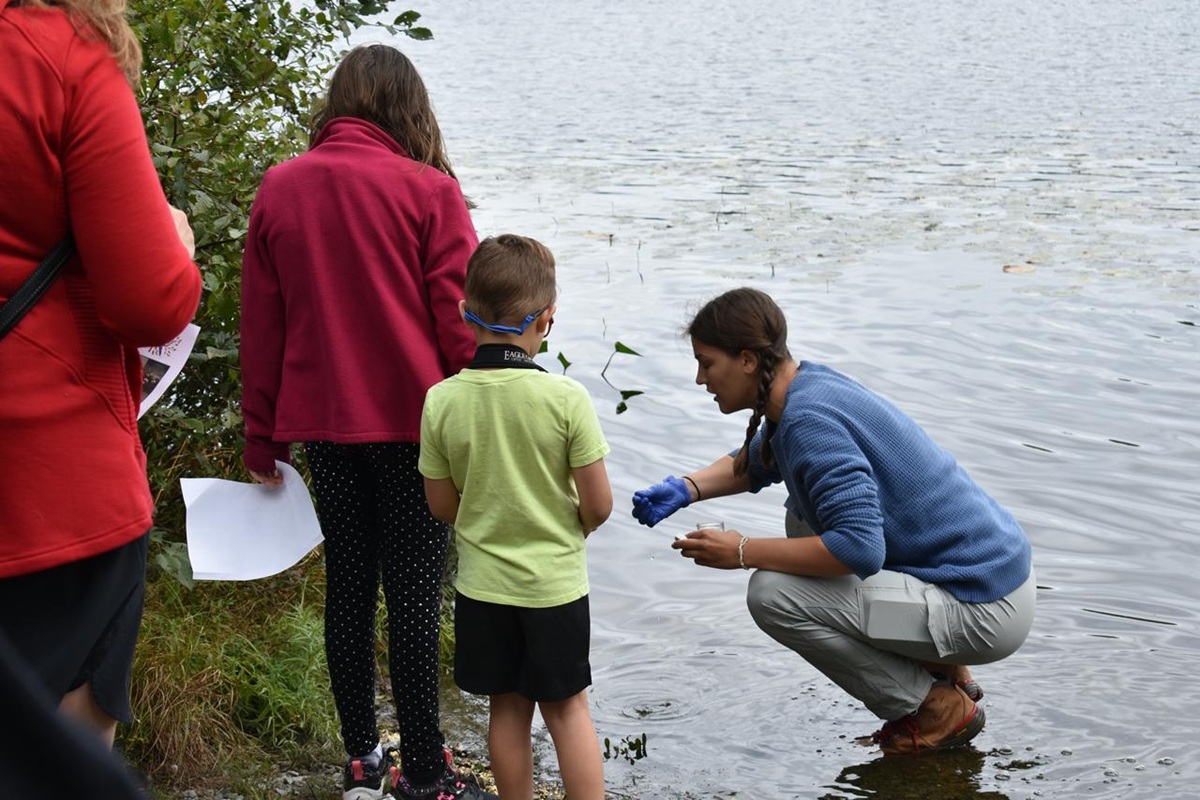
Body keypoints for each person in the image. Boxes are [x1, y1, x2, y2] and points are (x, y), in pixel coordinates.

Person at [239, 44, 495, 800]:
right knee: (416, 594)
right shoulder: (429, 191)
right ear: (407, 109)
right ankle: (425, 772)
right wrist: (487, 426)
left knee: (349, 587)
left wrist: (263, 437)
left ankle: (360, 761)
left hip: (324, 427)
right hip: (419, 429)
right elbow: (462, 327)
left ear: (338, 103)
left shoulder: (281, 188)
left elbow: (265, 325)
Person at [632, 287, 1035, 756]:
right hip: (989, 582)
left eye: (706, 363)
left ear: (745, 360)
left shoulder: (808, 421)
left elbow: (860, 550)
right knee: (802, 521)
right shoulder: (806, 387)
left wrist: (740, 551)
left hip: (984, 608)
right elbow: (761, 461)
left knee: (773, 595)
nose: (700, 378)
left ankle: (936, 706)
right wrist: (688, 487)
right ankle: (942, 671)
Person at [0, 0, 201, 766]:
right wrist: (176, 248)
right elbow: (147, 301)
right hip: (49, 490)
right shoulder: (61, 51)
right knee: (58, 756)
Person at [420, 234, 613, 800]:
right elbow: (598, 504)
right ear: (547, 320)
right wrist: (567, 527)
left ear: (463, 311)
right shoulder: (566, 399)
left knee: (507, 709)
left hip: (484, 589)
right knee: (568, 711)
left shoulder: (442, 400)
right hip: (553, 586)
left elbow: (441, 506)